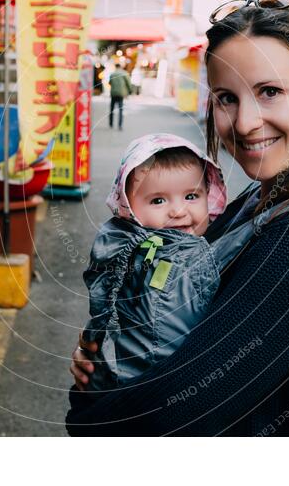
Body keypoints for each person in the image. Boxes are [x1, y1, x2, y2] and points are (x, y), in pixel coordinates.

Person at [66, 0, 289, 436]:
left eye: (270, 91)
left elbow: (181, 411)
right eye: (227, 98)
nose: (244, 123)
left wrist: (89, 408)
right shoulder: (267, 198)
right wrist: (110, 348)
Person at [82, 133, 228, 391]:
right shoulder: (167, 256)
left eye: (192, 196)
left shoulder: (121, 245)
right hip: (149, 394)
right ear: (129, 208)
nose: (179, 211)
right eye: (158, 200)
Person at [108, 63, 132, 129]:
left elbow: (109, 83)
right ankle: (120, 125)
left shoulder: (112, 74)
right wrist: (130, 91)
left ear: (115, 67)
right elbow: (128, 83)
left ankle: (111, 124)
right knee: (120, 109)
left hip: (113, 93)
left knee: (112, 109)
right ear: (120, 67)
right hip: (121, 93)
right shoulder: (124, 73)